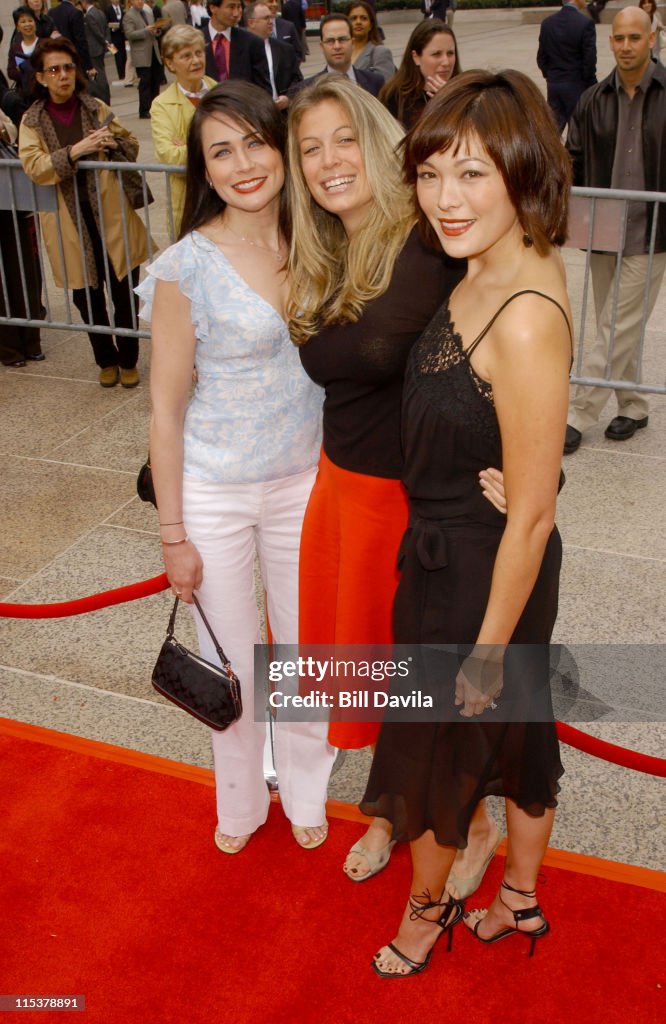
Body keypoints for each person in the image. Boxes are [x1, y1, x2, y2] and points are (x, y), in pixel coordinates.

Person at [362, 68, 571, 978]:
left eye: (473, 174)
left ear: (524, 174)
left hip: (488, 575)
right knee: (518, 738)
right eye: (432, 172)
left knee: (442, 745)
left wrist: (487, 648)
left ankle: (429, 910)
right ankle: (519, 903)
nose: (445, 199)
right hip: (460, 547)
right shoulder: (487, 258)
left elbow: (531, 517)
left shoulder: (523, 313)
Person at [287, 75, 505, 887]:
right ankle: (389, 814)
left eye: (344, 138)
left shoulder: (423, 237)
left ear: (379, 139)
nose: (327, 160)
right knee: (368, 675)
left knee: (413, 680)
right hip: (339, 484)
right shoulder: (329, 245)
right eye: (309, 147)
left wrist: (318, 339)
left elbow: (361, 355)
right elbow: (348, 360)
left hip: (403, 500)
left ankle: (474, 826)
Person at [137, 81, 336, 855]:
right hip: (215, 490)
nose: (245, 163)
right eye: (222, 151)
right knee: (234, 661)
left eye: (256, 142)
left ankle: (308, 786)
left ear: (280, 148)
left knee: (303, 651)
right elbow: (164, 409)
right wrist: (172, 532)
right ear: (204, 170)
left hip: (307, 482)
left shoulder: (321, 239)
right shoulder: (186, 266)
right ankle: (241, 801)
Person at [19, 37, 149, 387]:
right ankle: (105, 359)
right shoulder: (32, 120)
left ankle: (129, 358)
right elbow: (34, 166)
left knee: (124, 291)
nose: (63, 76)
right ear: (41, 77)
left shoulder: (95, 107)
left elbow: (131, 145)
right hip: (68, 221)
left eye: (68, 68)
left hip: (110, 216)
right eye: (54, 70)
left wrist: (112, 143)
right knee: (86, 298)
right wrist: (75, 151)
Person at [564, 6, 666, 452]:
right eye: (619, 38)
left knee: (615, 324)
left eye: (634, 38)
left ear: (652, 38)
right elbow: (573, 160)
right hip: (604, 233)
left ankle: (577, 413)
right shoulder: (592, 99)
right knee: (616, 324)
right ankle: (633, 405)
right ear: (611, 42)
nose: (626, 46)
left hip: (652, 232)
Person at [150, 25, 216, 235]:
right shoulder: (162, 105)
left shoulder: (222, 92)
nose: (196, 61)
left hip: (225, 200)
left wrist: (189, 146)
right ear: (170, 63)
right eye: (186, 56)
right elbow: (169, 156)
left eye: (198, 53)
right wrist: (217, 150)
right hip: (189, 202)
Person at [0, 108, 44, 368]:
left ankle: (31, 339)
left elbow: (12, 128)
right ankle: (9, 347)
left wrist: (4, 130)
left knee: (23, 266)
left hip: (11, 194)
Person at [380, 18, 459, 129]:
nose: (446, 62)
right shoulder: (394, 96)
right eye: (436, 54)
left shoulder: (467, 92)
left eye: (450, 53)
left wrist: (453, 102)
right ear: (416, 57)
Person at [536, 0, 597, 134]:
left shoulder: (547, 23)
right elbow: (589, 60)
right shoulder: (585, 23)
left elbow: (541, 58)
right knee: (578, 134)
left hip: (554, 85)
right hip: (577, 85)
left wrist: (551, 76)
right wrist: (590, 83)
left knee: (552, 133)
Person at [296, 14, 383, 96]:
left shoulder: (376, 83)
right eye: (330, 41)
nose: (337, 46)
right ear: (322, 46)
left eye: (342, 39)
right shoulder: (306, 89)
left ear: (352, 43)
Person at [201, 0, 272, 92]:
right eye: (231, 7)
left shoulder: (252, 42)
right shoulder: (196, 41)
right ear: (213, 8)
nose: (236, 13)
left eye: (239, 7)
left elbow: (263, 89)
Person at [245, 2, 302, 112]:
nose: (271, 22)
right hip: (254, 115)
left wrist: (288, 98)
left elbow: (297, 80)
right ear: (251, 23)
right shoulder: (241, 50)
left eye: (271, 17)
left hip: (283, 115)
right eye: (266, 18)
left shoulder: (285, 49)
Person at [123, 0, 164, 118]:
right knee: (145, 81)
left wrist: (156, 31)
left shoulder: (148, 13)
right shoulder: (129, 16)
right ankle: (144, 110)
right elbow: (129, 34)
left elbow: (153, 31)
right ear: (131, 2)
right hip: (142, 54)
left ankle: (155, 107)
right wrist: (146, 30)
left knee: (156, 80)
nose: (140, 2)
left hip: (153, 51)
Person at [5, 6, 41, 126]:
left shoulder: (44, 44)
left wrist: (23, 68)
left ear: (35, 22)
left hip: (44, 94)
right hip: (24, 98)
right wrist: (30, 70)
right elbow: (11, 72)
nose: (27, 24)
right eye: (23, 21)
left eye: (30, 20)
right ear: (17, 26)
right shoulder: (15, 48)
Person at [347, 1, 395, 82]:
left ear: (371, 25)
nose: (358, 22)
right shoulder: (341, 51)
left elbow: (385, 86)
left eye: (364, 18)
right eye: (353, 18)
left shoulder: (380, 52)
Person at [80, 0, 111, 105]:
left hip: (94, 48)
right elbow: (106, 29)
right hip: (101, 48)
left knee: (98, 74)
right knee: (101, 71)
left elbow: (96, 31)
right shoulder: (100, 12)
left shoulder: (89, 15)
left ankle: (103, 96)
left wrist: (103, 41)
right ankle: (105, 94)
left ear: (85, 3)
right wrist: (106, 42)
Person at [106, 2, 127, 83]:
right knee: (117, 56)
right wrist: (112, 27)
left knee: (124, 55)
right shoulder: (108, 10)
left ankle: (126, 73)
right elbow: (107, 23)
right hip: (113, 37)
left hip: (122, 36)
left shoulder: (122, 8)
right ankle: (121, 74)